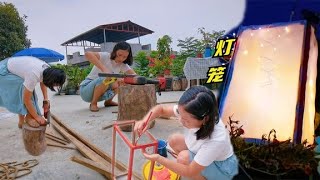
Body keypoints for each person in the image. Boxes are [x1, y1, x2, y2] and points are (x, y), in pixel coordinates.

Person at [134, 86, 238, 180]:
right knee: (174, 140)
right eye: (180, 115)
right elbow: (161, 109)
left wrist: (158, 158)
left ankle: (201, 175)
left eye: (186, 120)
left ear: (205, 119)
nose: (180, 121)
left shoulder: (216, 140)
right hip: (204, 152)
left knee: (183, 158)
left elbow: (189, 171)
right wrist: (145, 121)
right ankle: (195, 165)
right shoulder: (190, 110)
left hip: (221, 168)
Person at [0, 56, 66, 128]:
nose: (55, 86)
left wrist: (46, 99)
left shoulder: (47, 70)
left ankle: (22, 122)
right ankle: (29, 117)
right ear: (51, 80)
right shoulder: (33, 74)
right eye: (55, 84)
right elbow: (26, 99)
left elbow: (42, 81)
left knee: (27, 89)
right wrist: (37, 117)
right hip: (3, 71)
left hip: (9, 65)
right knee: (24, 90)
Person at [80, 41, 136, 112]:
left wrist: (124, 80)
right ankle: (93, 103)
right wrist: (104, 69)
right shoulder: (106, 56)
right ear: (115, 51)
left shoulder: (123, 65)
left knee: (121, 83)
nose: (121, 58)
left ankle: (108, 102)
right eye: (119, 55)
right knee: (106, 77)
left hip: (101, 93)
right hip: (86, 90)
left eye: (124, 57)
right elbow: (87, 54)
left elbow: (134, 75)